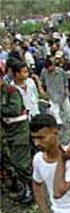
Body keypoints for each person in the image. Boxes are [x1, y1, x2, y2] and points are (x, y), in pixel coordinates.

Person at [1, 75, 32, 203]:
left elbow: (14, 109)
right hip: (8, 131)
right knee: (13, 161)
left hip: (20, 130)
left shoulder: (11, 91)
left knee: (20, 163)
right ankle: (26, 189)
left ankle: (33, 189)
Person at [40, 58, 70, 126]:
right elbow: (42, 82)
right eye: (47, 67)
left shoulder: (60, 71)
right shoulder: (44, 72)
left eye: (50, 66)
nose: (49, 68)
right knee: (54, 110)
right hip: (51, 93)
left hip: (62, 92)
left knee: (67, 108)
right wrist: (43, 92)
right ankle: (59, 122)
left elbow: (65, 80)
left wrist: (66, 88)